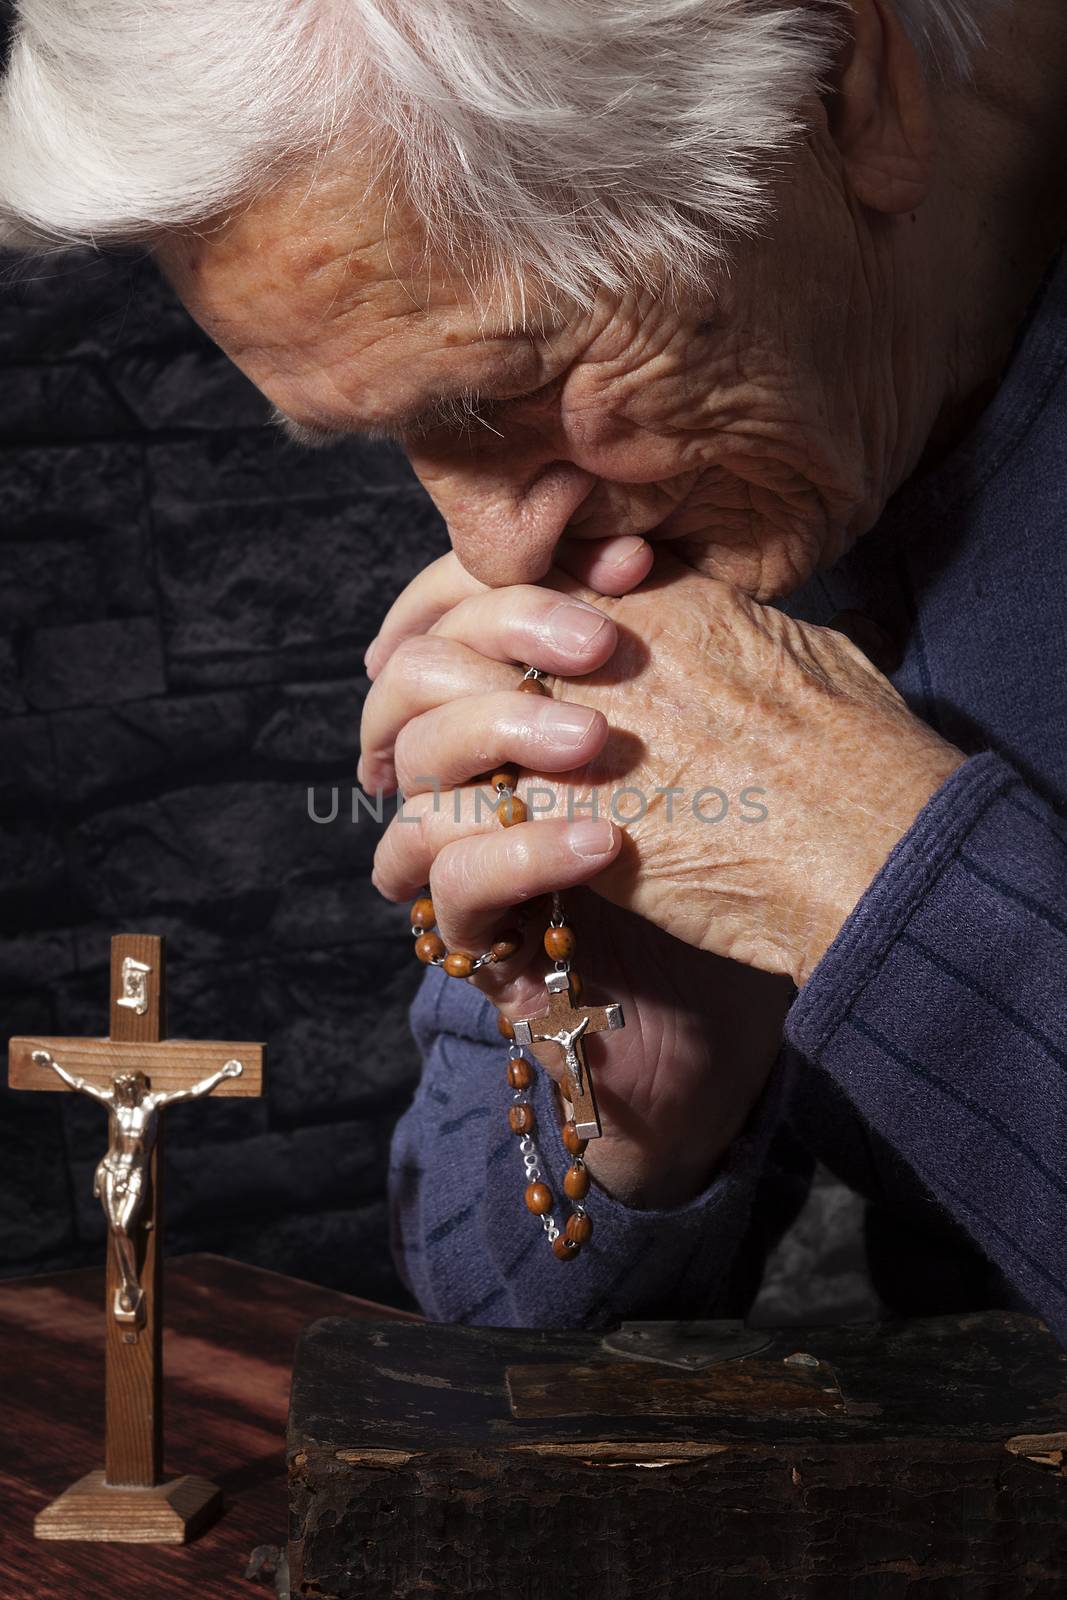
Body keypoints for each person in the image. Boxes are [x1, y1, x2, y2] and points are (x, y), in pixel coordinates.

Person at [2, 0, 1065, 1336]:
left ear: (848, 91)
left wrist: (869, 873)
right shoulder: (622, 477)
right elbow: (485, 1322)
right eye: (395, 437)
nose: (494, 555)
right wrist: (649, 1109)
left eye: (510, 394)